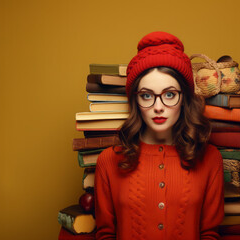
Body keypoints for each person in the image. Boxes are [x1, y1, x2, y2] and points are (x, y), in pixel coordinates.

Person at [94, 31, 224, 240]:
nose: (158, 107)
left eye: (169, 94)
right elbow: (105, 234)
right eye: (147, 95)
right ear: (135, 100)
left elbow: (210, 233)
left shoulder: (210, 158)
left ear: (184, 98)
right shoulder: (108, 161)